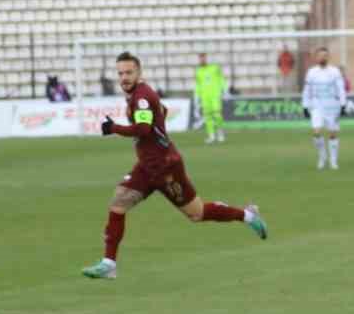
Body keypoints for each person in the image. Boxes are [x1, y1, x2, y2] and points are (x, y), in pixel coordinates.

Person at [81, 51, 267, 280]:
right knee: (118, 204)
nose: (124, 77)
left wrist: (114, 128)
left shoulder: (140, 96)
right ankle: (109, 264)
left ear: (139, 72)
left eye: (129, 72)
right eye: (120, 73)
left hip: (165, 167)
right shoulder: (140, 95)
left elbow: (143, 129)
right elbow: (162, 112)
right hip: (147, 166)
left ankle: (247, 215)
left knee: (197, 213)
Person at [301, 46, 347, 170]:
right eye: (320, 55)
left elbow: (340, 88)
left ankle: (333, 160)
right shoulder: (311, 72)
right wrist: (305, 106)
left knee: (332, 134)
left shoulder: (334, 71)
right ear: (316, 57)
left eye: (325, 55)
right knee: (316, 132)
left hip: (332, 106)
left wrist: (343, 104)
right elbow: (307, 90)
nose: (323, 57)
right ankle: (322, 157)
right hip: (317, 107)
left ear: (328, 57)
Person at [194, 52, 227, 144]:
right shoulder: (198, 71)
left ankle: (220, 132)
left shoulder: (214, 68)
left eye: (203, 58)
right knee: (207, 116)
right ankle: (211, 135)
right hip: (205, 97)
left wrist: (224, 90)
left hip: (215, 95)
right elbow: (198, 84)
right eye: (200, 58)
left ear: (207, 58)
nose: (202, 60)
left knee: (217, 114)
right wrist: (197, 95)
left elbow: (221, 79)